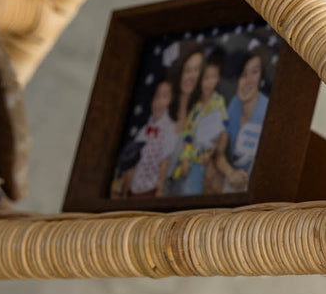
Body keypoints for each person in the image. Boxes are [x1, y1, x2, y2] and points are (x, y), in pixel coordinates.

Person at [164, 49, 227, 197]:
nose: (192, 75)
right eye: (188, 70)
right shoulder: (164, 109)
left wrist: (213, 154)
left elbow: (219, 137)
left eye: (197, 70)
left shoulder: (209, 109)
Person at [209, 47, 269, 194]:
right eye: (243, 74)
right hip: (235, 178)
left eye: (254, 72)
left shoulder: (267, 109)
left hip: (257, 186)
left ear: (261, 78)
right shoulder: (234, 104)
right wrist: (230, 173)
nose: (247, 80)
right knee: (210, 174)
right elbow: (219, 153)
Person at [112, 77, 177, 197]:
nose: (159, 102)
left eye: (164, 97)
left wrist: (158, 194)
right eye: (157, 97)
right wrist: (125, 192)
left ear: (171, 100)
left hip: (151, 192)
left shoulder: (170, 129)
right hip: (133, 191)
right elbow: (132, 162)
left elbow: (164, 164)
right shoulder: (143, 130)